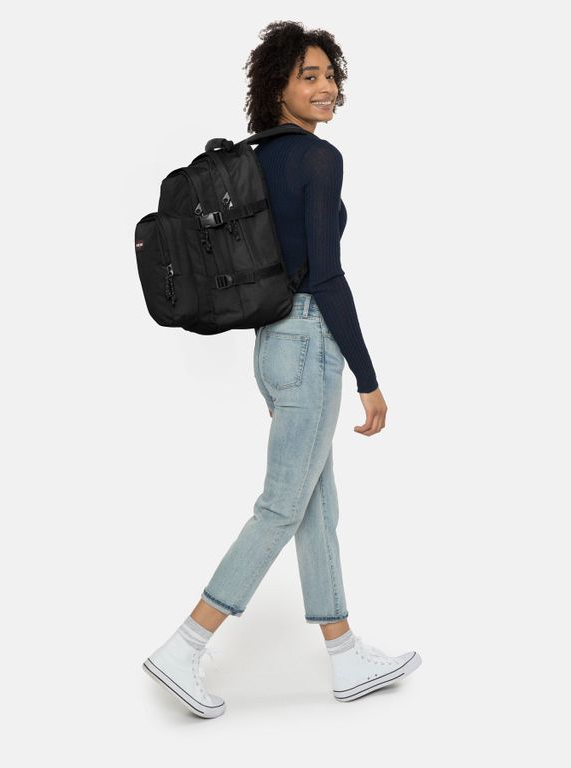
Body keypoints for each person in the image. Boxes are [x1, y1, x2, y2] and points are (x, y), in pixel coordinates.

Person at [142, 21, 421, 719]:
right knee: (279, 507)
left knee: (315, 508)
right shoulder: (319, 161)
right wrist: (368, 378)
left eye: (331, 75)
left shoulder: (253, 161)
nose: (326, 88)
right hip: (310, 343)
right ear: (278, 88)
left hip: (272, 346)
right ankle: (185, 645)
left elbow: (258, 272)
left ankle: (344, 653)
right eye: (309, 76)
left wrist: (280, 371)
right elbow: (325, 276)